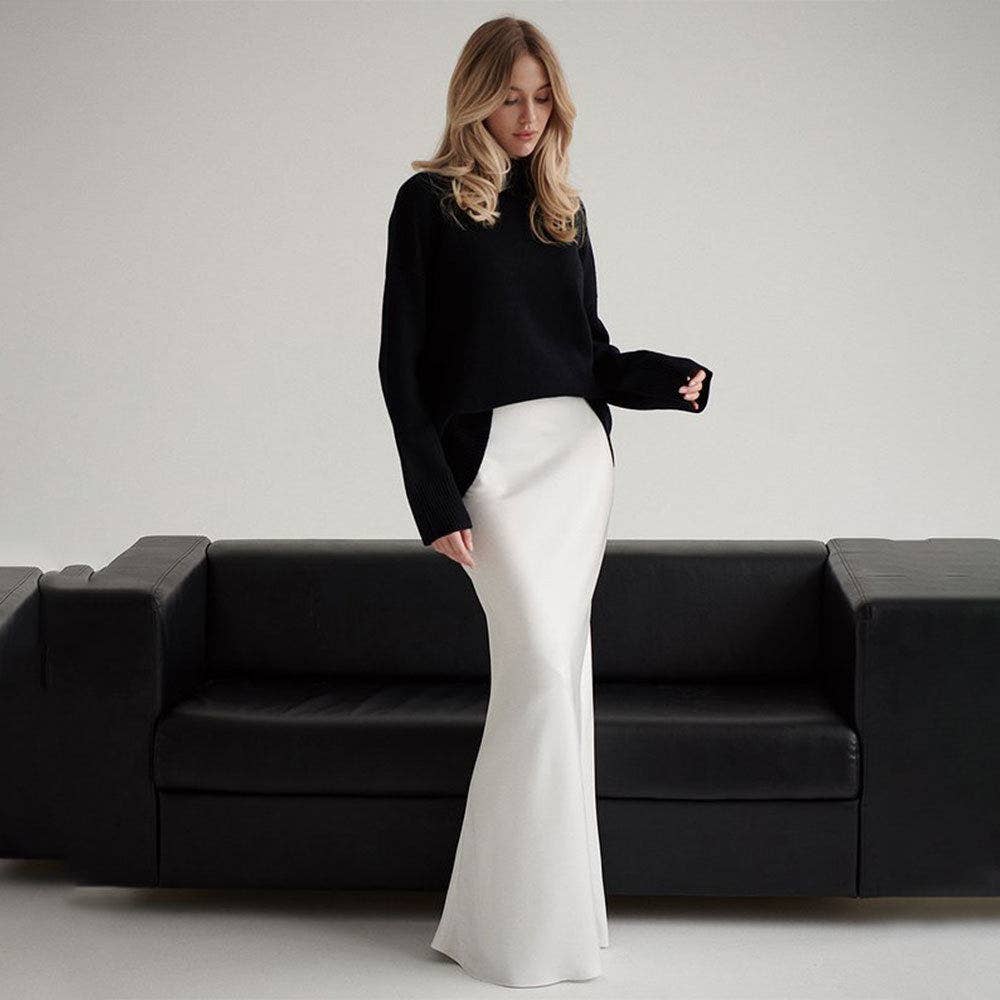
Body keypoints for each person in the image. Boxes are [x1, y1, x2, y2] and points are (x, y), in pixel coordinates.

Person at [378, 16, 713, 988]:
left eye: (540, 98)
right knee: (538, 677)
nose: (526, 116)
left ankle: (545, 922)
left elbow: (588, 353)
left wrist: (667, 377)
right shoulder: (428, 203)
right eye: (509, 96)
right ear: (474, 98)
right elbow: (400, 365)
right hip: (491, 469)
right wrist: (433, 497)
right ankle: (511, 931)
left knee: (558, 684)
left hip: (574, 462)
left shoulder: (563, 209)